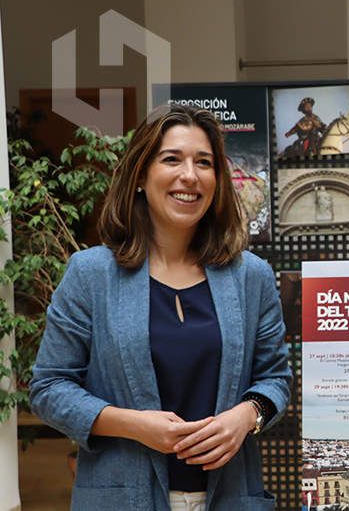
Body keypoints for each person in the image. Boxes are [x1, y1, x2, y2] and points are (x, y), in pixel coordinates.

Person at [30, 104, 292, 510]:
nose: (190, 175)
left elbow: (276, 378)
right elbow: (49, 388)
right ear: (140, 176)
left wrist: (246, 416)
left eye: (203, 162)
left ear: (217, 180)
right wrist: (134, 426)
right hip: (121, 498)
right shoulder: (91, 275)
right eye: (172, 159)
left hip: (231, 497)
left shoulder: (250, 277)